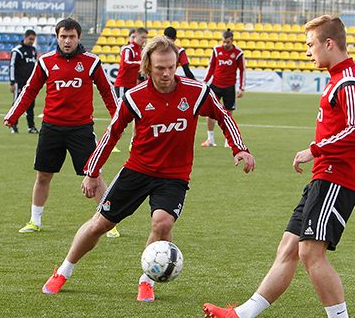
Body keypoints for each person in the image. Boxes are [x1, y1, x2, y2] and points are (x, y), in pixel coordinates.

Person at [203, 15, 355, 318]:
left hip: (337, 178)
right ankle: (242, 317)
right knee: (289, 248)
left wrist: (315, 149)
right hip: (325, 176)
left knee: (310, 252)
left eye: (310, 45)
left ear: (329, 43)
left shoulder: (349, 80)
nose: (307, 52)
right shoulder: (343, 78)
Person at [41, 35, 255, 301]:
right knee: (99, 225)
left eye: (171, 66)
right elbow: (111, 134)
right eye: (159, 68)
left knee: (162, 222)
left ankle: (146, 279)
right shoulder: (135, 97)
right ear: (147, 67)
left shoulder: (196, 91)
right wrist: (92, 172)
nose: (167, 73)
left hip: (174, 176)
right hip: (137, 170)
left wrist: (240, 148)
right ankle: (63, 270)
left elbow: (223, 116)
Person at [5, 18, 118, 234]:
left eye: (71, 37)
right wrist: (14, 114)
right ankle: (35, 221)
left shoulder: (91, 62)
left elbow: (107, 91)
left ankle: (108, 223)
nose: (67, 41)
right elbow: (30, 89)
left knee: (95, 175)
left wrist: (117, 118)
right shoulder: (45, 61)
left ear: (79, 37)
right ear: (57, 37)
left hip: (81, 128)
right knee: (43, 175)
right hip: (51, 128)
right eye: (63, 37)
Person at [202, 28, 245, 147]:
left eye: (228, 42)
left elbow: (242, 70)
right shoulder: (216, 50)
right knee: (210, 112)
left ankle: (228, 140)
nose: (225, 44)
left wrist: (241, 87)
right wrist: (205, 81)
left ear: (232, 41)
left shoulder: (238, 53)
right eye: (224, 42)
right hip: (215, 84)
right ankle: (210, 138)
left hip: (229, 86)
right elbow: (211, 66)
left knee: (228, 113)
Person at [9, 29, 39, 134]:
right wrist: (12, 82)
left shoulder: (33, 50)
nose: (31, 41)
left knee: (31, 104)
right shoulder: (17, 51)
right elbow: (12, 67)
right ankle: (14, 125)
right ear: (25, 37)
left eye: (33, 39)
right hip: (19, 82)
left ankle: (31, 127)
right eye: (30, 39)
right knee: (18, 103)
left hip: (31, 82)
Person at [114, 26, 148, 98]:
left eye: (145, 38)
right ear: (136, 36)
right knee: (121, 106)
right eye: (142, 37)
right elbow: (125, 64)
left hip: (133, 85)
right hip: (123, 84)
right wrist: (140, 63)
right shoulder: (128, 49)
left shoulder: (141, 50)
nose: (144, 40)